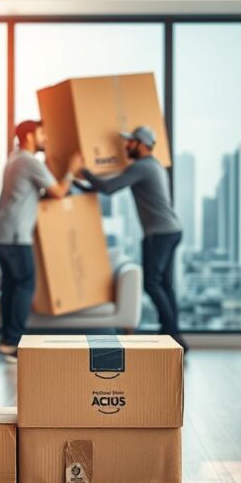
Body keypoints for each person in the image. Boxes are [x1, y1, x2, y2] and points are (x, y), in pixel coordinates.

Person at [80, 125, 186, 350]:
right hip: (169, 230)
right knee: (164, 285)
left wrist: (83, 170)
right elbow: (105, 187)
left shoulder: (142, 167)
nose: (126, 146)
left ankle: (174, 335)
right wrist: (83, 184)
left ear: (142, 144)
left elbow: (108, 188)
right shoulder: (153, 166)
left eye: (130, 142)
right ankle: (171, 334)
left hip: (160, 233)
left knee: (152, 283)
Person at [0, 120, 79, 362]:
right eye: (42, 133)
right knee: (25, 285)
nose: (45, 139)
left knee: (10, 286)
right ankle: (13, 342)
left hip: (1, 233)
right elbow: (59, 191)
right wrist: (72, 168)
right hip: (16, 235)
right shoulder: (29, 161)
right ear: (30, 135)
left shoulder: (14, 159)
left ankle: (6, 341)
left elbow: (31, 194)